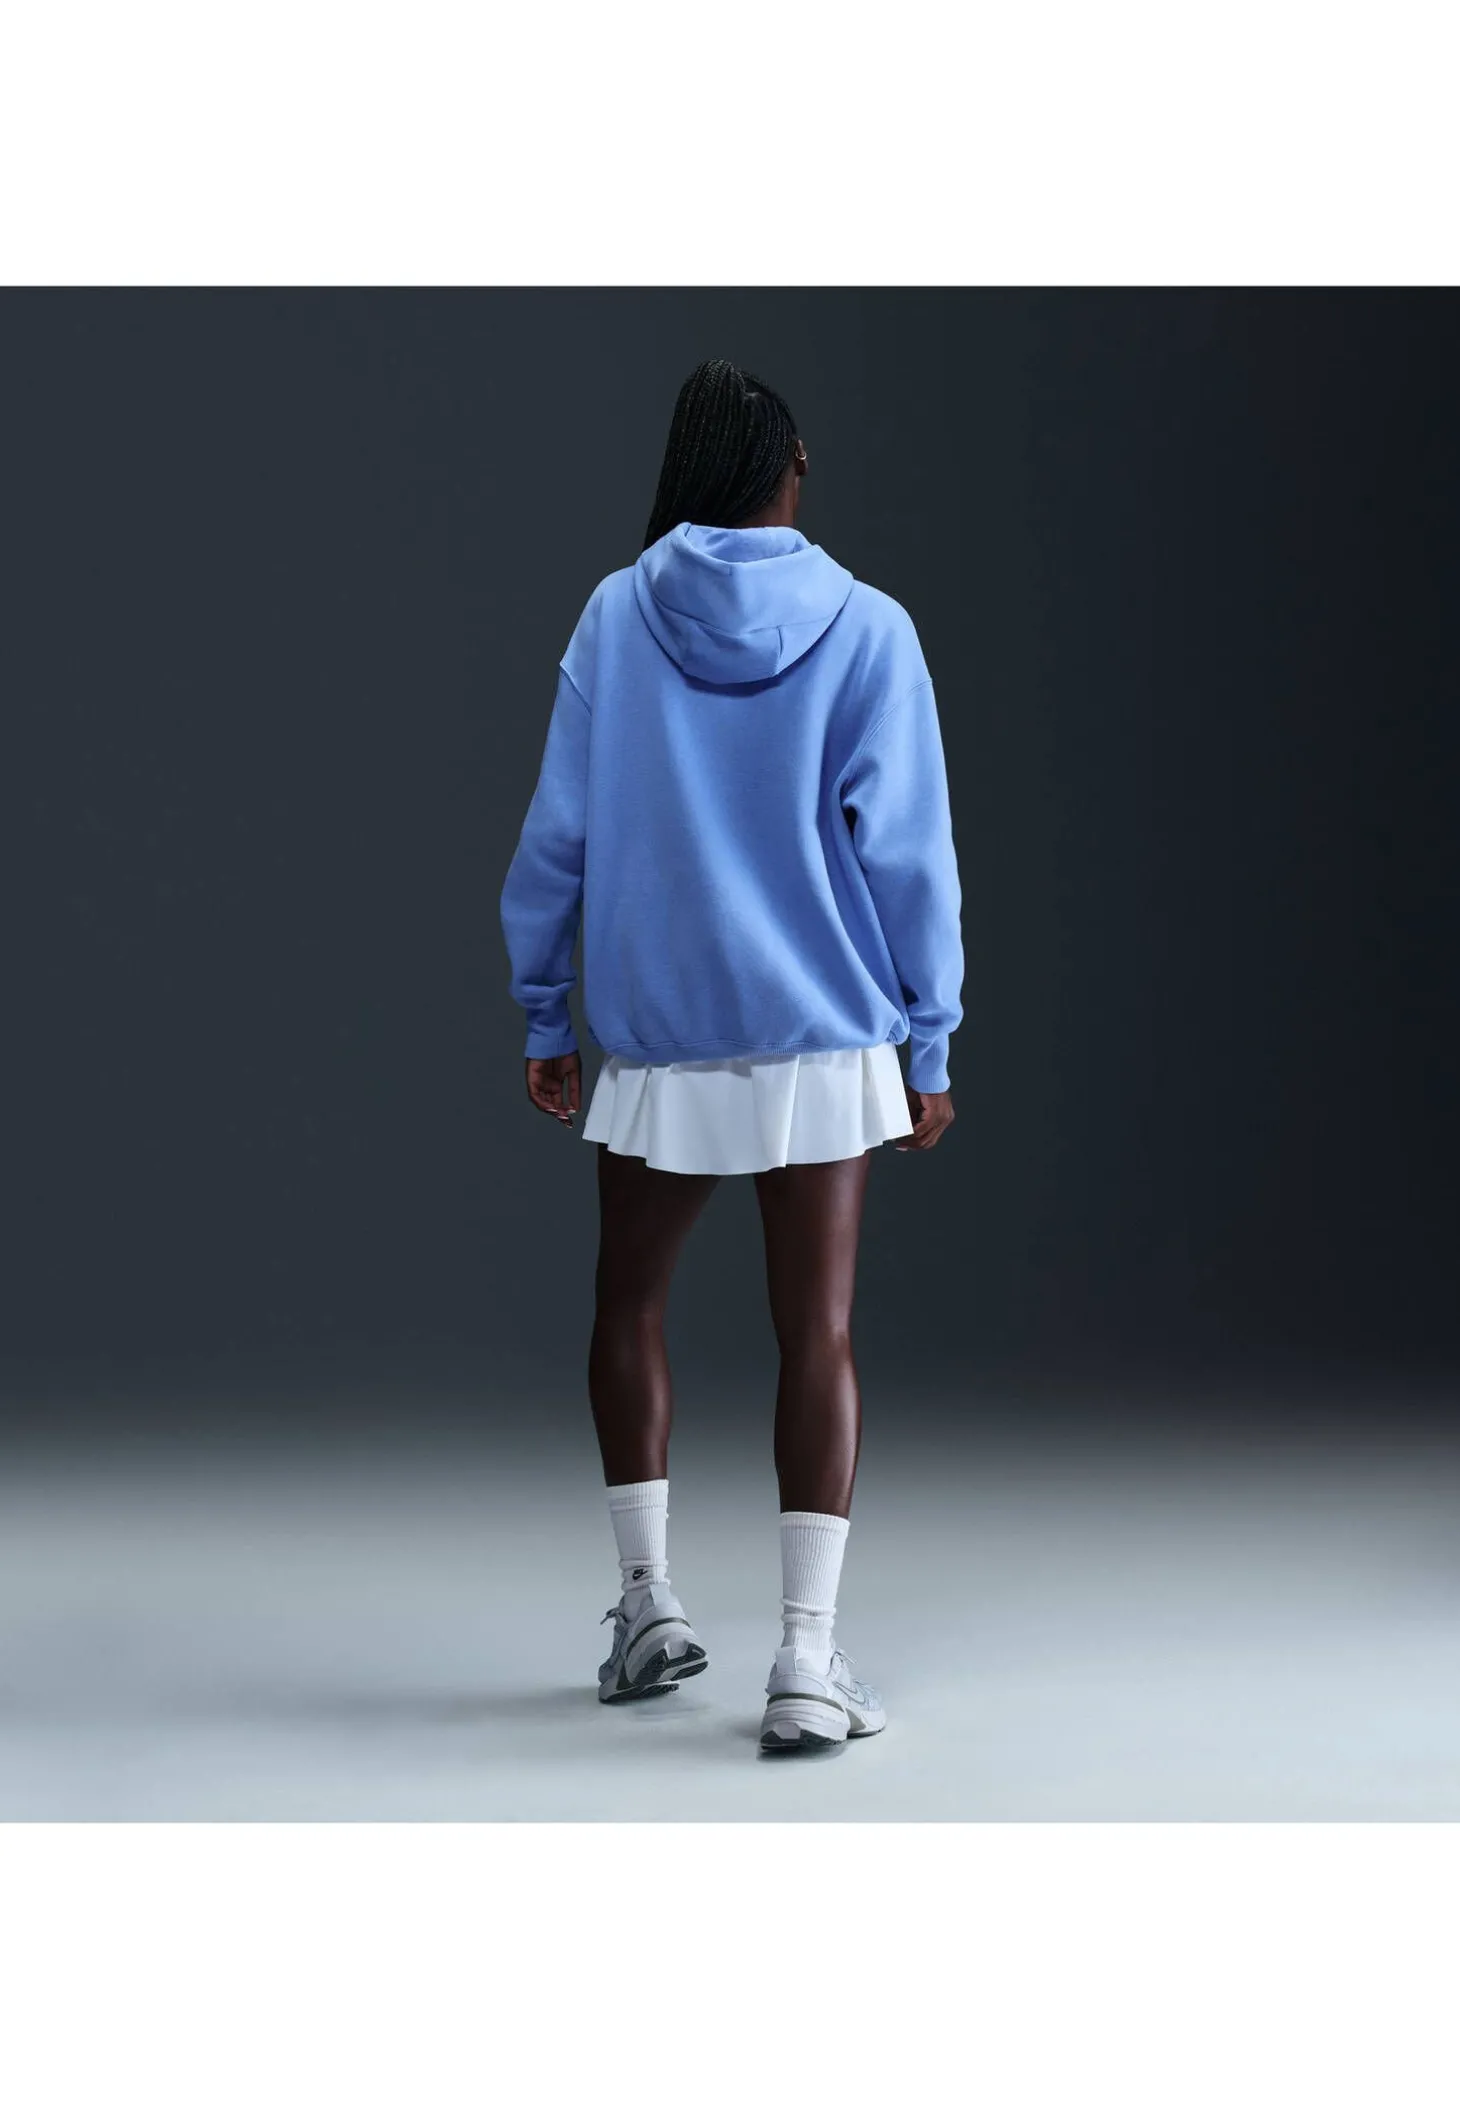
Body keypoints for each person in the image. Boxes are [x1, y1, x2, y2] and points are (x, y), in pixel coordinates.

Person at [499, 357, 963, 1754]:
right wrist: (930, 1038)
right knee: (817, 1331)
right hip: (825, 1031)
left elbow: (558, 836)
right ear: (793, 469)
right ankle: (806, 1659)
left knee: (625, 1304)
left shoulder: (613, 616)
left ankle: (646, 1606)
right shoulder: (871, 627)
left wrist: (546, 1012)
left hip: (657, 1037)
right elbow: (911, 857)